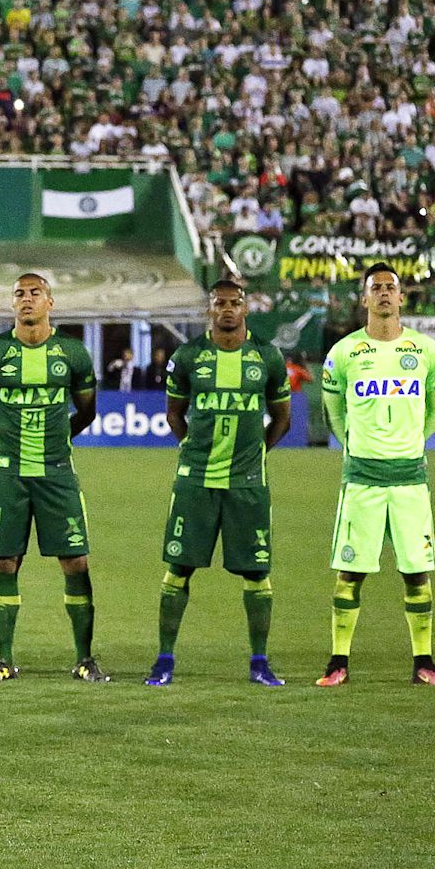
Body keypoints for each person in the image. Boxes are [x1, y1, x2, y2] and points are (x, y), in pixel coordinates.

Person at [144, 280, 292, 688]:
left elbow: (282, 418)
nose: (227, 310)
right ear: (209, 309)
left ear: (246, 308)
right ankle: (164, 659)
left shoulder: (267, 357)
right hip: (197, 481)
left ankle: (260, 662)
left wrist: (255, 455)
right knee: (178, 569)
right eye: (219, 304)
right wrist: (192, 448)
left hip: (247, 483)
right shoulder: (188, 356)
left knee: (257, 573)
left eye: (235, 303)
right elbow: (175, 413)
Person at [316, 264, 435, 687]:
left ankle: (424, 663)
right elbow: (333, 415)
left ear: (402, 297)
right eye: (375, 288)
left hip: (410, 476)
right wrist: (357, 444)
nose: (384, 294)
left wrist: (409, 443)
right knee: (350, 572)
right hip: (362, 478)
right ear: (364, 298)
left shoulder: (426, 350)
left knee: (416, 572)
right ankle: (338, 662)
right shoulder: (343, 353)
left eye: (390, 287)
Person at [0, 274, 107, 683]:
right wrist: (9, 442)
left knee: (75, 560)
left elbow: (86, 411)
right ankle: (4, 658)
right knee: (6, 561)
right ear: (12, 304)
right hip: (9, 475)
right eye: (19, 294)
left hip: (57, 474)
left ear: (51, 302)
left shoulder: (73, 353)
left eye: (34, 294)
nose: (26, 300)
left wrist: (55, 440)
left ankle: (85, 658)